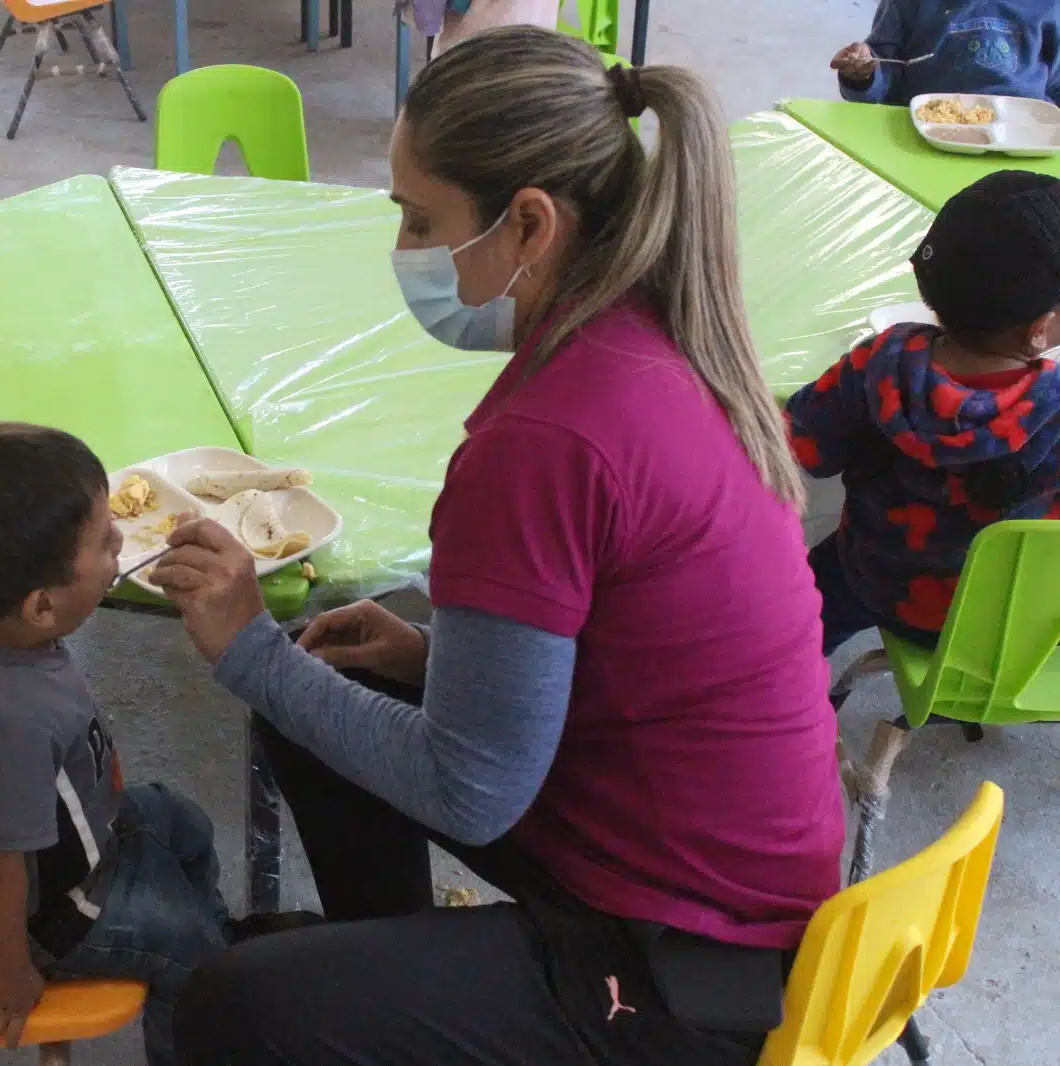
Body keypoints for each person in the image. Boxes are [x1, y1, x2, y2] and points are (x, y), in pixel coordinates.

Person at [150, 26, 846, 1066]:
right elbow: (628, 648)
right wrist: (433, 662)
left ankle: (400, 1008)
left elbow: (469, 789)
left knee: (223, 1007)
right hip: (729, 867)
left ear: (529, 223)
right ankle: (395, 979)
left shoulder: (544, 441)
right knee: (321, 680)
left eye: (419, 218)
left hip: (697, 966)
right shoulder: (658, 330)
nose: (403, 247)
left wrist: (240, 647)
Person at [0, 422, 236, 1066]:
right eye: (107, 544)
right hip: (38, 916)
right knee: (190, 956)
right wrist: (12, 973)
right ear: (41, 608)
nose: (121, 545)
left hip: (76, 834)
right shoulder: (8, 724)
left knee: (183, 822)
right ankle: (199, 1016)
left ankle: (215, 937)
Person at [787, 171, 1060, 657]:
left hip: (867, 573)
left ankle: (789, 672)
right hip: (981, 623)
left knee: (803, 607)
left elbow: (804, 447)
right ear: (1039, 330)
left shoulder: (878, 360)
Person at [831, 0, 1060, 106]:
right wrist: (862, 75)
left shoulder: (1048, 6)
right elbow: (882, 74)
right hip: (924, 130)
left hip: (1024, 136)